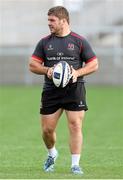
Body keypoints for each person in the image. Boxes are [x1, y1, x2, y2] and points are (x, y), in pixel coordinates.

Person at [29, 6, 98, 175]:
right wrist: (47, 70)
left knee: (75, 125)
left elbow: (94, 64)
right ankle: (52, 153)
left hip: (75, 89)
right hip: (51, 90)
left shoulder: (79, 41)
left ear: (63, 21)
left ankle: (75, 164)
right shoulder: (45, 42)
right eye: (48, 21)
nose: (49, 24)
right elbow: (32, 65)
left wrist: (77, 73)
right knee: (47, 130)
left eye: (52, 20)